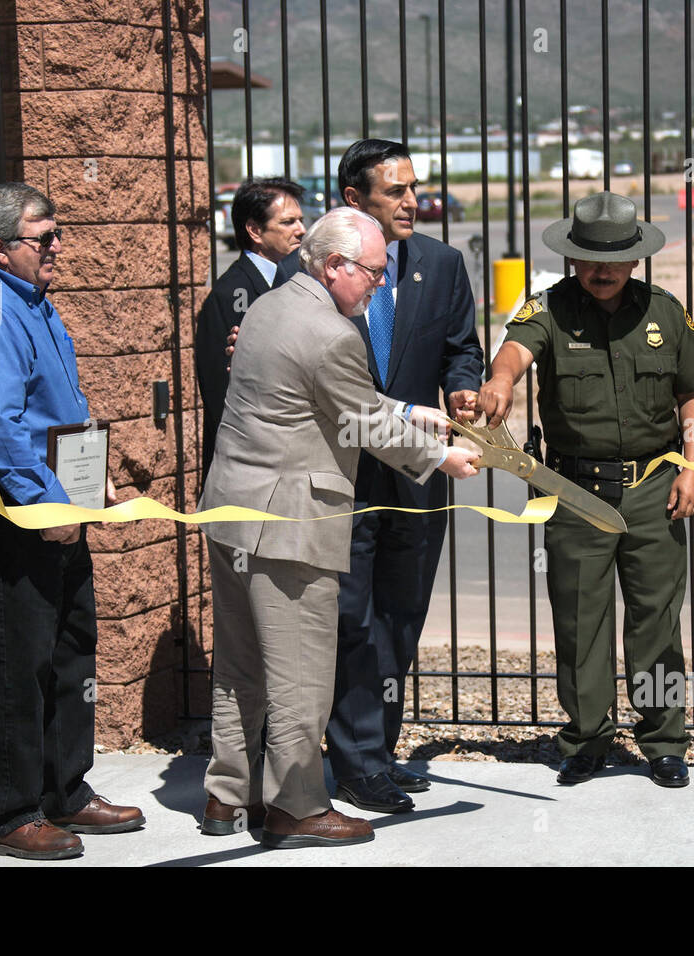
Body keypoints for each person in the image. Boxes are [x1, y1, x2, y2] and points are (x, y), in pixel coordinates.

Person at [200, 207, 479, 847]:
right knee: (301, 671)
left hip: (235, 512)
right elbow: (365, 422)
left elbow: (334, 394)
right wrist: (440, 457)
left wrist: (415, 410)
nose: (381, 285)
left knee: (241, 665)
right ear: (334, 266)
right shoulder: (332, 333)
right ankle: (297, 806)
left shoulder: (272, 305)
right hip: (291, 524)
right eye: (374, 274)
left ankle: (226, 798)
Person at [476, 191, 694, 789]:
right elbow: (514, 351)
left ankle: (663, 740)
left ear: (635, 259)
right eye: (590, 259)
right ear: (573, 258)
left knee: (654, 620)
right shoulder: (550, 309)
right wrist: (500, 380)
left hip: (651, 488)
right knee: (581, 622)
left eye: (615, 259)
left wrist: (693, 467)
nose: (603, 271)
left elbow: (693, 392)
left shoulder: (665, 313)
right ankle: (586, 739)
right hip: (577, 491)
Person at [273, 140, 483, 814]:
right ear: (354, 200)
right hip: (344, 477)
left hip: (419, 478)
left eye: (413, 188)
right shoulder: (306, 274)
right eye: (395, 192)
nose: (412, 202)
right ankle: (358, 762)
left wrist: (462, 390)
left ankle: (378, 752)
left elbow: (461, 350)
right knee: (351, 619)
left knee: (401, 617)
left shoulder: (442, 265)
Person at [0, 183, 144, 859]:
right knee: (16, 664)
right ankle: (11, 815)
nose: (57, 246)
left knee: (67, 652)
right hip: (13, 516)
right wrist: (43, 505)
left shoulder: (31, 302)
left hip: (54, 505)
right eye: (42, 237)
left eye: (57, 233)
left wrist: (89, 483)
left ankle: (66, 792)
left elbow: (51, 413)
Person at [195, 178, 306, 483]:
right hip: (250, 471)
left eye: (300, 220)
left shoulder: (298, 283)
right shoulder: (231, 293)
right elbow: (221, 392)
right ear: (255, 230)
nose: (301, 230)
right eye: (288, 222)